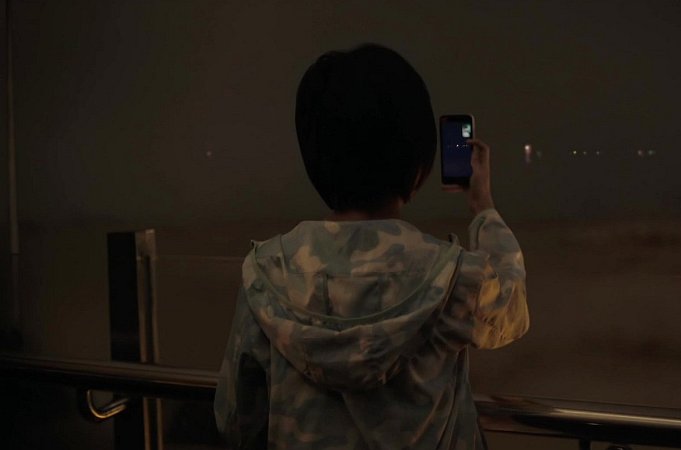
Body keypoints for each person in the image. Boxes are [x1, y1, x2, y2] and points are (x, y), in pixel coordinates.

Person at [214, 43, 529, 450]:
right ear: (418, 169)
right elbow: (512, 311)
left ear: (316, 161)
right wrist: (483, 206)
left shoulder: (266, 273)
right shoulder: (453, 277)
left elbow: (236, 420)